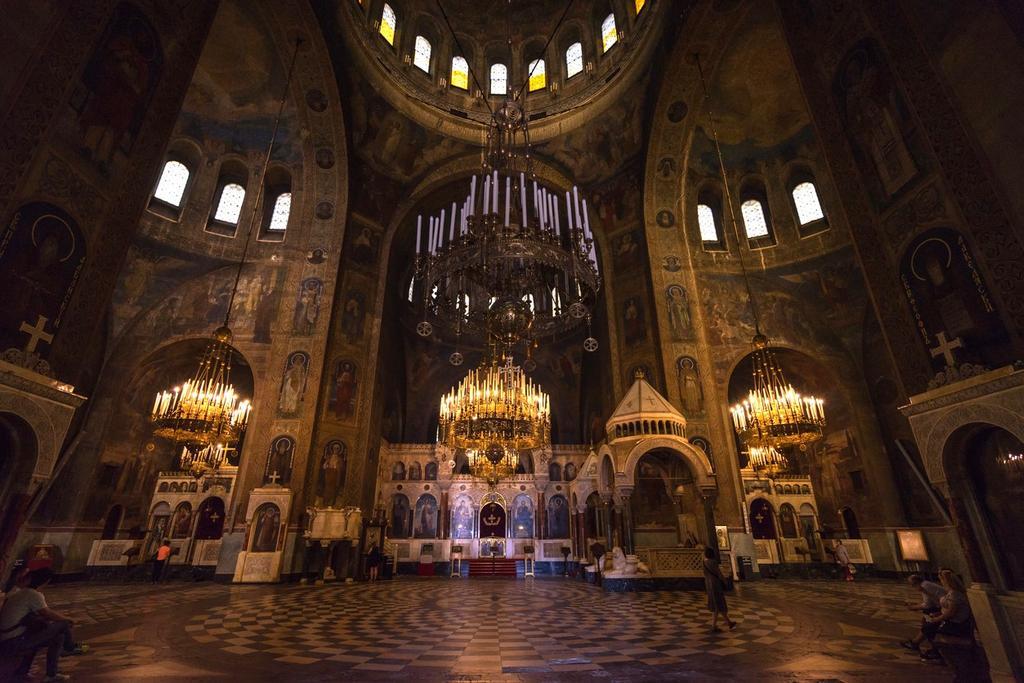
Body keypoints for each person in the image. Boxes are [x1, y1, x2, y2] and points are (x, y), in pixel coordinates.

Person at [0, 568, 86, 681]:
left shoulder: (21, 593)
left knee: (58, 637)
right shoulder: (32, 594)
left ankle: (49, 675)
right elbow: (47, 613)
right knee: (64, 624)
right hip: (15, 641)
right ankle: (69, 648)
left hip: (9, 638)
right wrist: (69, 619)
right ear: (46, 582)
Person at [916, 569, 974, 662]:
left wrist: (937, 619)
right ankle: (934, 649)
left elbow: (950, 613)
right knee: (927, 624)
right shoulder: (950, 592)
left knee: (929, 627)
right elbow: (945, 606)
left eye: (942, 580)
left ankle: (938, 652)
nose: (941, 582)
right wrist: (938, 614)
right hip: (951, 619)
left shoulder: (955, 594)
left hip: (956, 624)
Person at [899, 574, 947, 651]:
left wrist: (913, 607)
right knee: (926, 618)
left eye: (912, 584)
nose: (912, 587)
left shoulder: (924, 586)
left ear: (916, 582)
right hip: (942, 606)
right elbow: (929, 601)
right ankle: (920, 641)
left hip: (944, 608)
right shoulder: (926, 584)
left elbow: (927, 604)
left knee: (928, 621)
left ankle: (918, 642)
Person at [703, 547, 736, 633]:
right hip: (715, 584)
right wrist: (725, 581)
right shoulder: (713, 562)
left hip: (708, 584)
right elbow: (719, 573)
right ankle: (715, 626)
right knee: (718, 604)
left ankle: (728, 622)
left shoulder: (704, 562)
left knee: (717, 605)